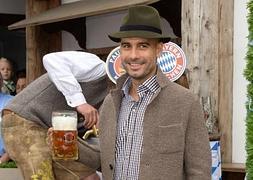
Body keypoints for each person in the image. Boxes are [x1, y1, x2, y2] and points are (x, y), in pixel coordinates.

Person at [61, 5, 210, 179]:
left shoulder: (185, 102)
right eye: (126, 46)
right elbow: (105, 159)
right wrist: (70, 144)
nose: (133, 55)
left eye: (142, 46)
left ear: (159, 49)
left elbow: (200, 171)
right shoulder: (111, 102)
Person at [1, 51, 108, 180]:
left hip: (54, 132)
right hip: (25, 119)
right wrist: (80, 103)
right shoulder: (98, 66)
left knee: (89, 177)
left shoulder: (122, 93)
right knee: (41, 177)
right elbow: (51, 59)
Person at [0, 73, 13, 164]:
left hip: (6, 159)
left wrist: (4, 159)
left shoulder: (11, 102)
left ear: (1, 82)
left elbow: (18, 133)